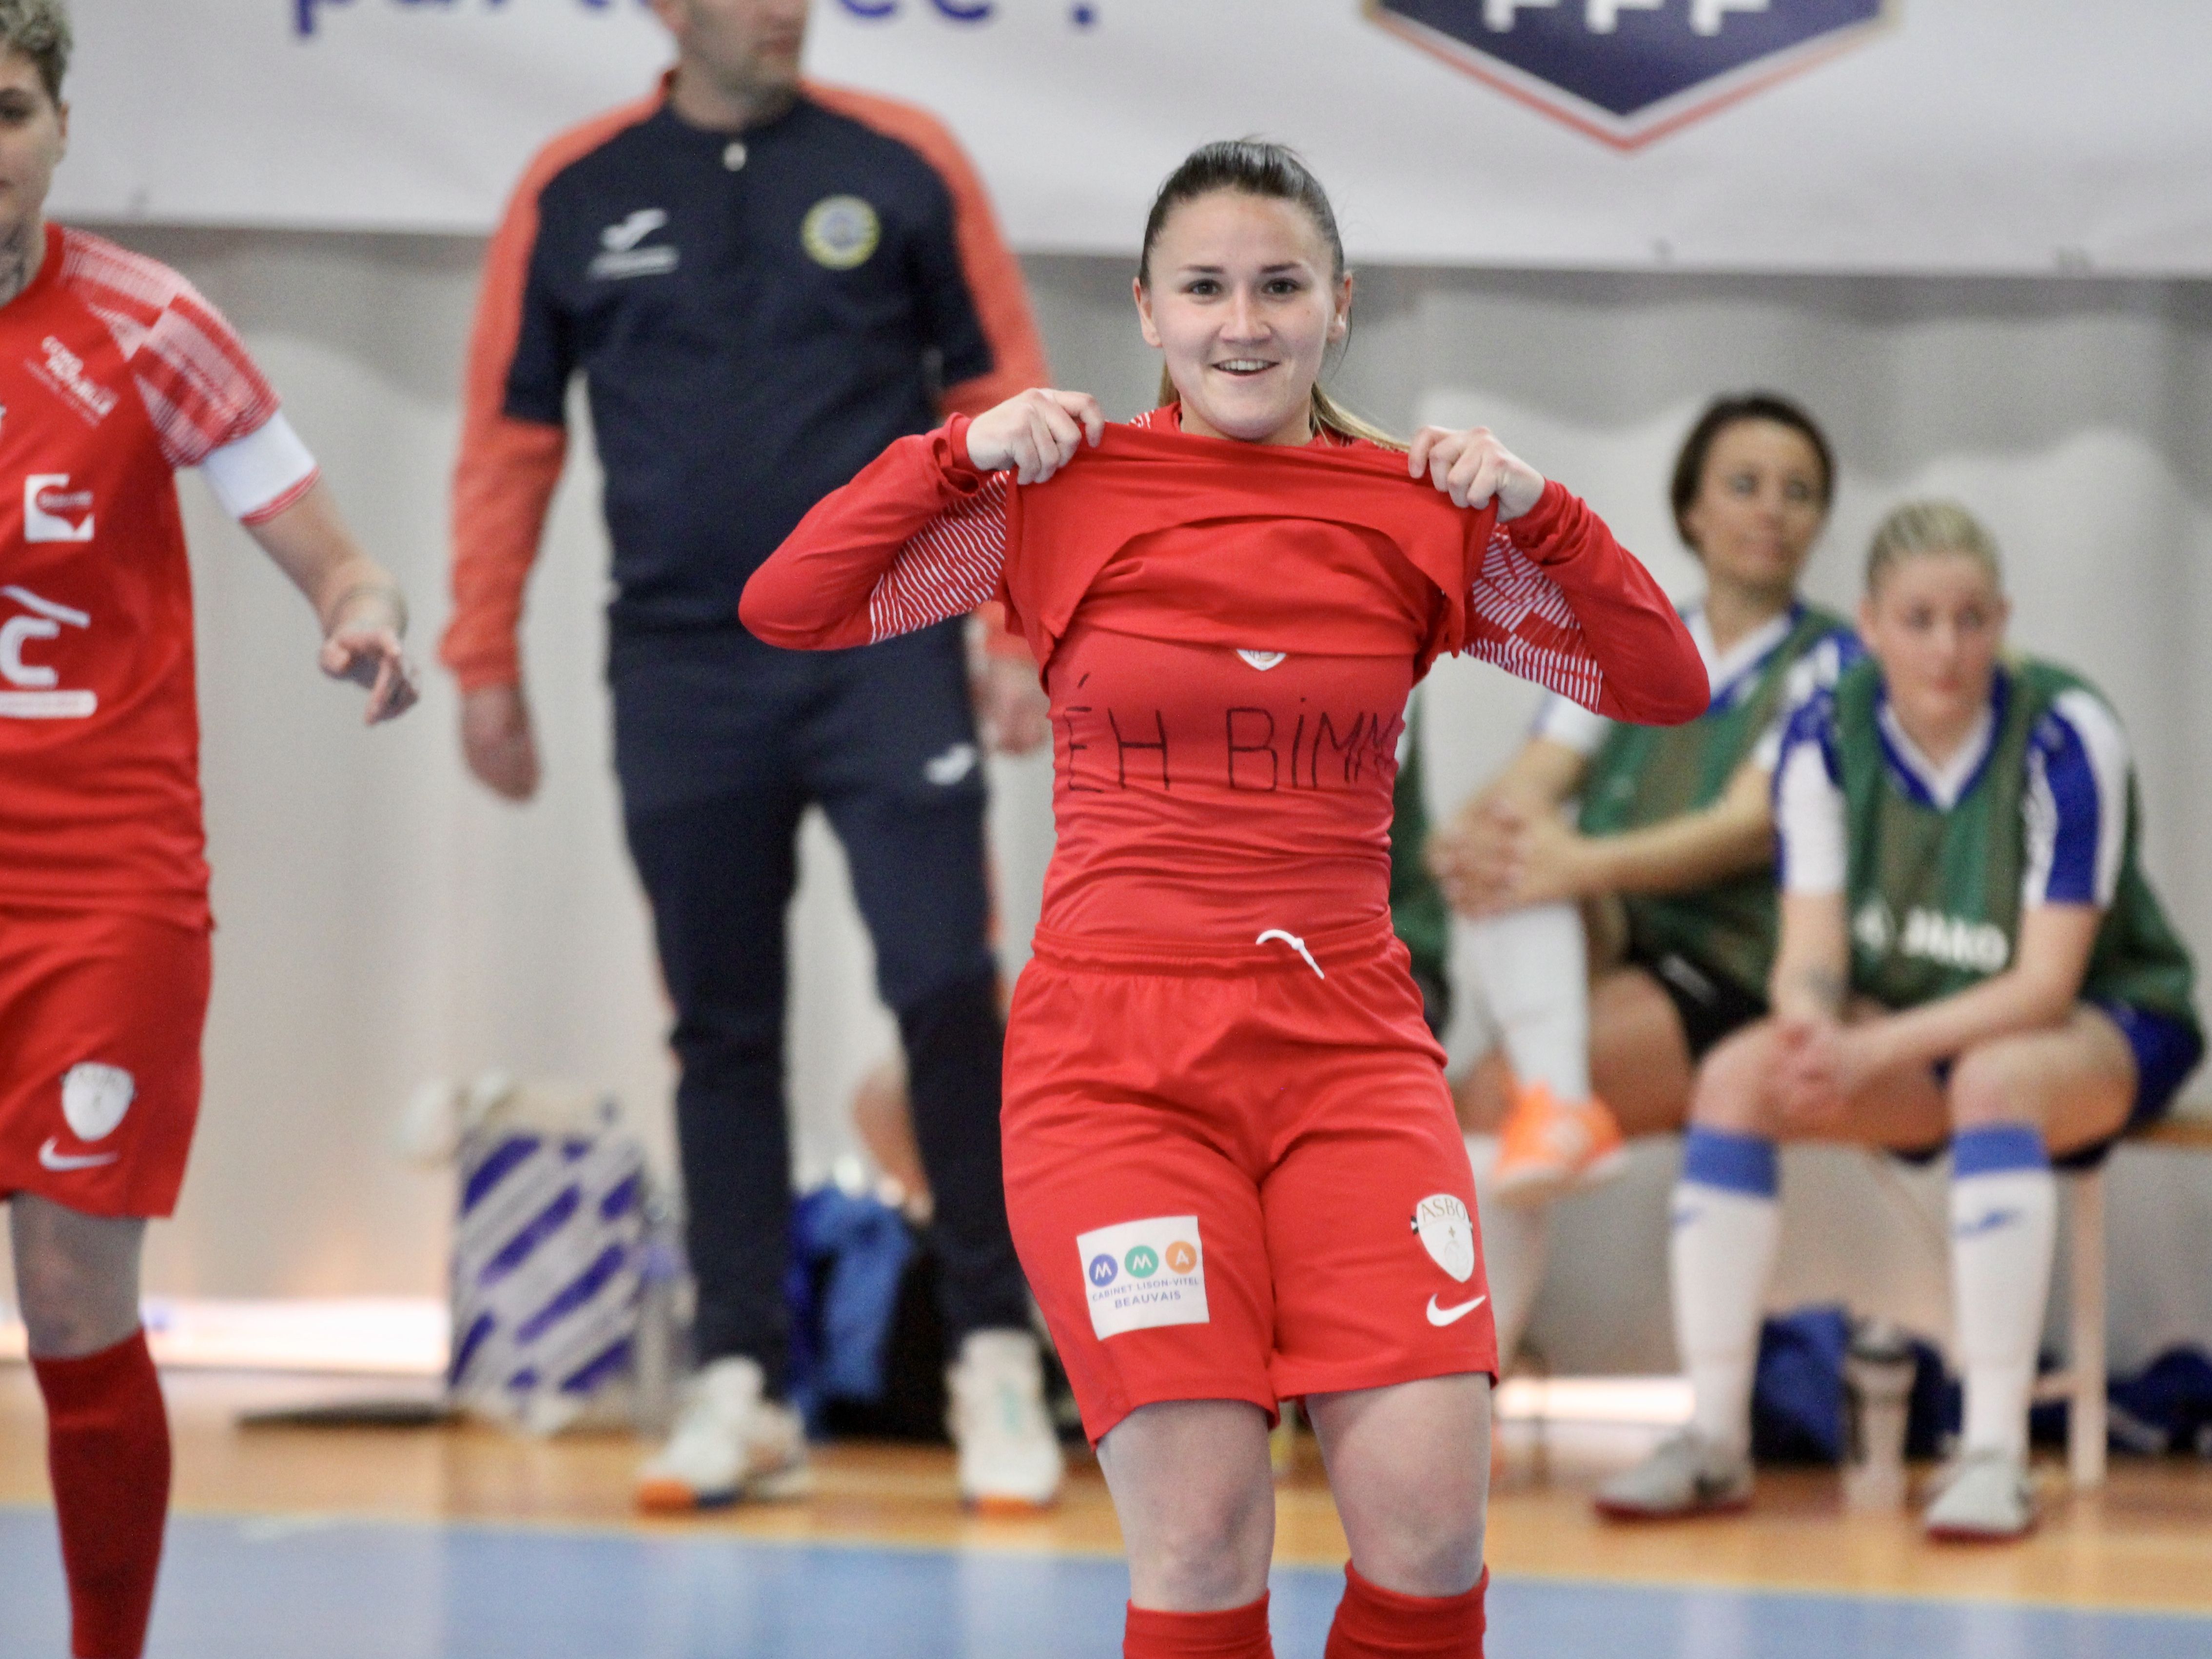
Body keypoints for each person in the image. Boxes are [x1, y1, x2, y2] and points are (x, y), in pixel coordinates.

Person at [741, 139, 1705, 1659]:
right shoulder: (1056, 495)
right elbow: (790, 603)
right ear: (1146, 309)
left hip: (1349, 1060)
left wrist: (1540, 510)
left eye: (1279, 286)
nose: (1241, 322)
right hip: (1116, 1074)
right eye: (1204, 288)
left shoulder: (1414, 511)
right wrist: (958, 454)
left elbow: (1662, 679)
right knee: (1197, 1537)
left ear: (1338, 308)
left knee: (1432, 1524)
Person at [439, 0, 1059, 1512]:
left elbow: (1004, 404)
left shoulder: (903, 164)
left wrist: (1016, 627)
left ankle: (994, 1359)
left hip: (888, 649)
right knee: (718, 1027)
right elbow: (510, 437)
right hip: (678, 665)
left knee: (945, 989)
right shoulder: (572, 189)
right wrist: (480, 651)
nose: (783, 11)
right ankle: (742, 1380)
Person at [0, 8, 420, 1656]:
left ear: (59, 128)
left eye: (12, 108)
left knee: (70, 1305)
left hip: (103, 888)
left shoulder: (144, 324)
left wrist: (367, 621)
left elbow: (339, 557)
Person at [1596, 500, 2202, 1540]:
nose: (1947, 647)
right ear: (1868, 625)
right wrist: (1804, 1024)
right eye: (1918, 620)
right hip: (1915, 1027)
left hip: (2106, 1015)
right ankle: (1710, 1440)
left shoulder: (2066, 732)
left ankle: (1993, 1451)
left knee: (1995, 1080)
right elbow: (1811, 951)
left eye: (1971, 620)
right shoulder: (1822, 733)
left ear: (2002, 621)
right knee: (1736, 1076)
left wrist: (1868, 1045)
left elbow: (2043, 988)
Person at [1428, 394, 1858, 1364]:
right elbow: (1529, 785)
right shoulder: (1636, 632)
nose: (1770, 511)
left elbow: (1746, 827)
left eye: (1797, 493)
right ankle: (1559, 1102)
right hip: (1629, 946)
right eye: (1743, 485)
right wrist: (1473, 839)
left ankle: (1464, 1383)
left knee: (1486, 1101)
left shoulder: (1832, 661)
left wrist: (1574, 862)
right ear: (1691, 509)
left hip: (1741, 967)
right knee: (1506, 851)